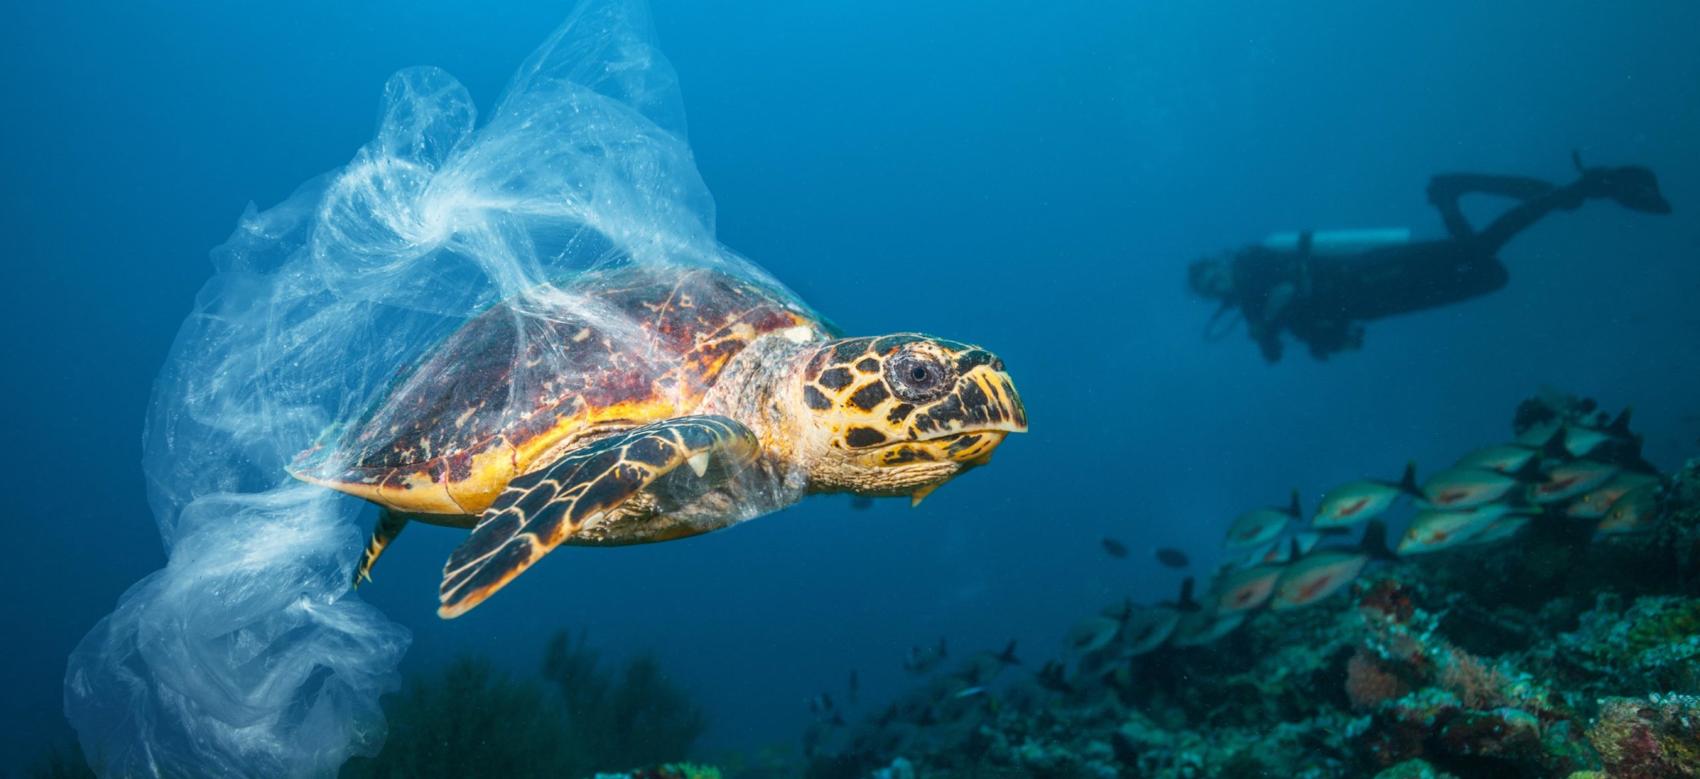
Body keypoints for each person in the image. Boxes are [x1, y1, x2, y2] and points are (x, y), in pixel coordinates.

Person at [1188, 154, 1671, 363]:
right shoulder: (1253, 309)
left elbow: (1289, 287)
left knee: (1480, 255)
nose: (1218, 285)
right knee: (1490, 273)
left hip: (1372, 272)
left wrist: (1266, 321)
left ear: (1219, 263)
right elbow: (1309, 329)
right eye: (1210, 289)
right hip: (1384, 301)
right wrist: (1328, 342)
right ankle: (1452, 197)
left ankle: (1585, 186)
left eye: (1212, 276)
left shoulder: (1252, 265)